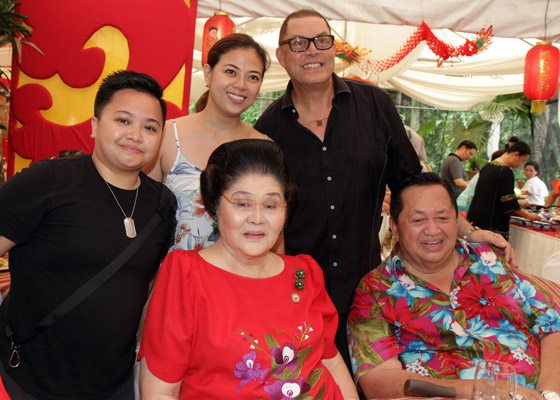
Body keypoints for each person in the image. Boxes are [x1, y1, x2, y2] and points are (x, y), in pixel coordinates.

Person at [253, 8, 514, 371]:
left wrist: (468, 230)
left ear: (334, 49)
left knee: (369, 384)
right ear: (282, 56)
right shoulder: (267, 130)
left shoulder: (374, 105)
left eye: (321, 40)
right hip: (296, 293)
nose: (311, 50)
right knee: (302, 384)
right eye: (297, 43)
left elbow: (410, 183)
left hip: (367, 291)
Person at [0, 70, 176, 399]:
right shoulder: (49, 181)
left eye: (150, 127)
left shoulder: (162, 203)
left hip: (112, 383)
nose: (136, 135)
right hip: (26, 377)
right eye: (123, 121)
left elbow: (146, 286)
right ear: (95, 126)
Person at [138, 139, 359, 399]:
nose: (257, 218)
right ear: (214, 205)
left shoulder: (304, 272)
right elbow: (160, 392)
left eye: (270, 205)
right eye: (242, 204)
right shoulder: (186, 275)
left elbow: (329, 361)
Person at [348, 173, 560, 400]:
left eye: (442, 218)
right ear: (395, 226)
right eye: (418, 220)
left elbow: (551, 323)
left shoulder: (487, 259)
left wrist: (549, 393)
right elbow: (379, 381)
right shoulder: (376, 289)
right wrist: (484, 389)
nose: (433, 230)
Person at [147, 33, 270, 251]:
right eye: (231, 72)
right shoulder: (167, 135)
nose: (241, 85)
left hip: (239, 280)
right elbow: (143, 216)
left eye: (253, 77)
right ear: (208, 73)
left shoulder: (265, 148)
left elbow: (273, 228)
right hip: (175, 278)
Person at [468, 141, 540, 239]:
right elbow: (509, 203)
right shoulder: (505, 172)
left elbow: (494, 196)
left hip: (475, 221)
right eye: (522, 160)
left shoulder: (487, 167)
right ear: (516, 154)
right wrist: (528, 215)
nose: (521, 164)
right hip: (492, 226)